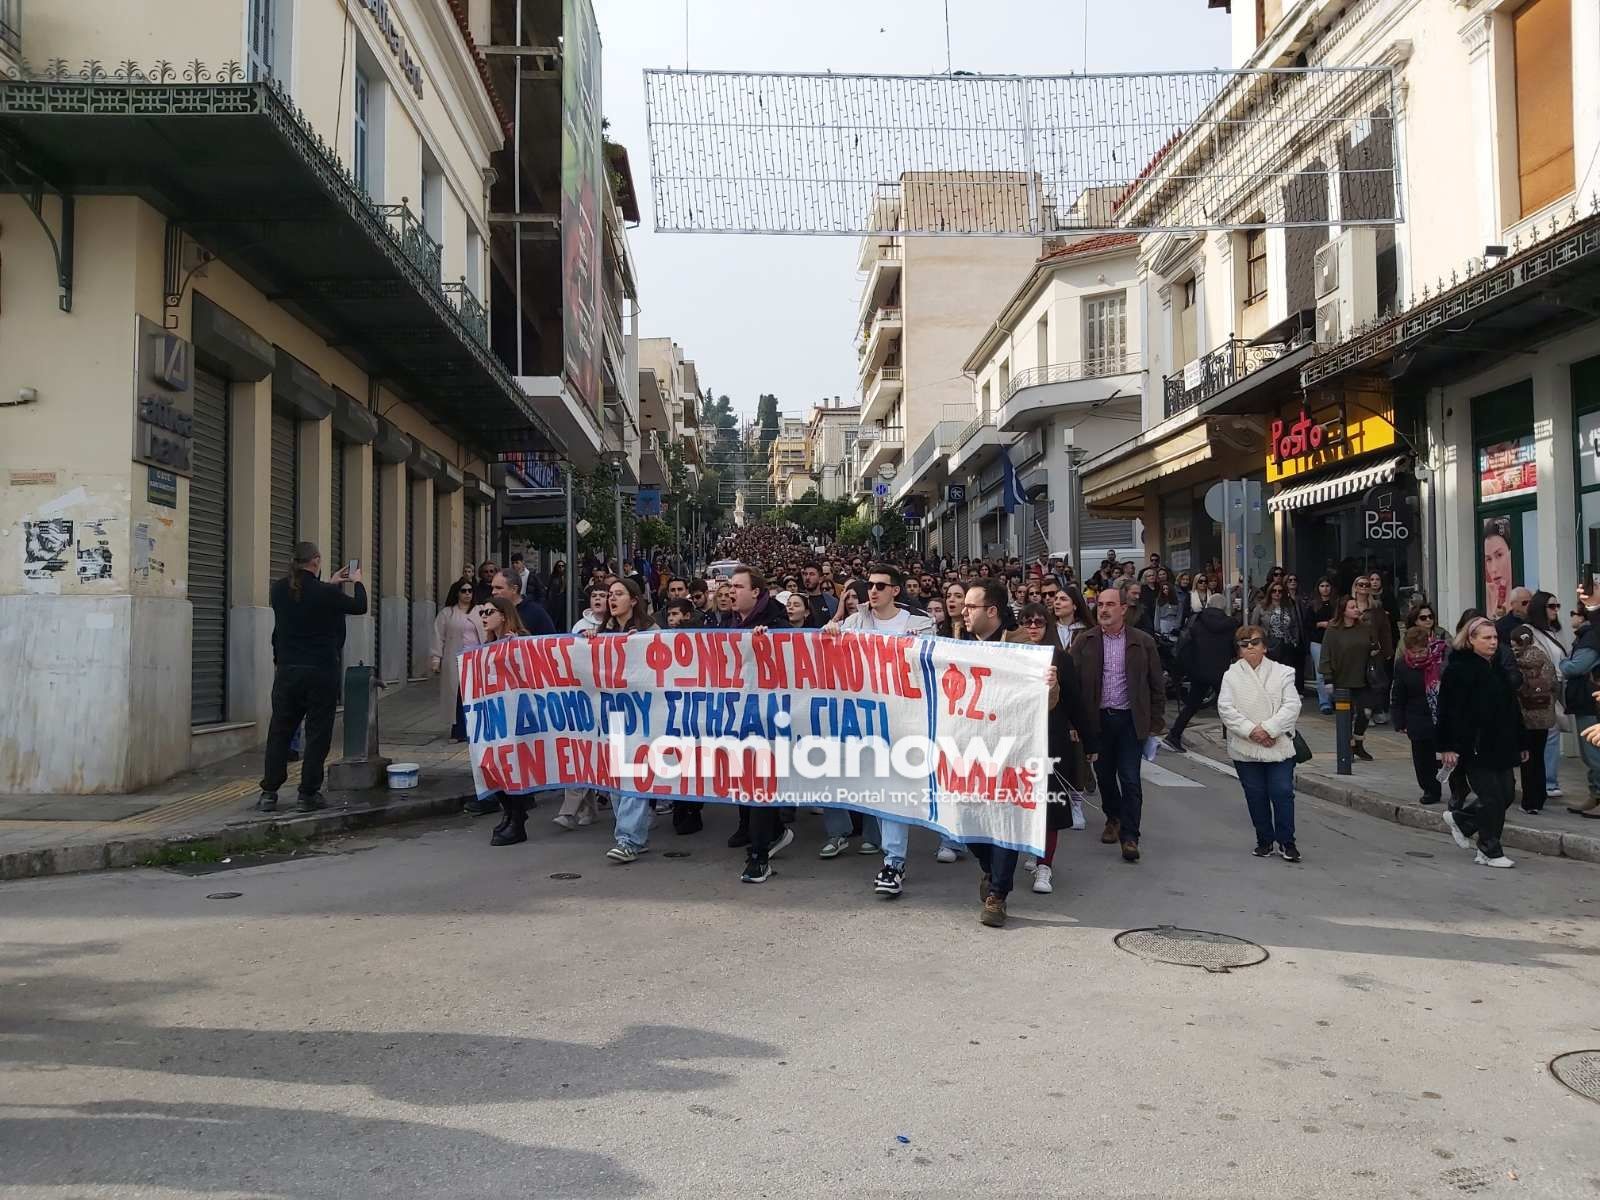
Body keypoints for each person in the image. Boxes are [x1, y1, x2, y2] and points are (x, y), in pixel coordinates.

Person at [821, 565, 939, 889]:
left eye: (880, 586)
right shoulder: (854, 622)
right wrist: (830, 630)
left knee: (892, 789)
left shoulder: (919, 625)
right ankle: (886, 851)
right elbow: (823, 650)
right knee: (875, 788)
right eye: (870, 585)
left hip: (904, 718)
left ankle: (893, 863)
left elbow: (932, 664)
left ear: (895, 591)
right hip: (864, 718)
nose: (872, 591)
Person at [958, 579, 1058, 926]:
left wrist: (1050, 685)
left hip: (1011, 754)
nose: (963, 612)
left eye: (971, 606)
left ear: (992, 611)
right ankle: (989, 868)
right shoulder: (956, 646)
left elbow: (1049, 702)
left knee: (1004, 821)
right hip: (967, 752)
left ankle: (998, 895)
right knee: (966, 822)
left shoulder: (1023, 647)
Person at [257, 542, 367, 813]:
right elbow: (359, 606)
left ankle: (269, 792)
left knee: (280, 731)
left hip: (287, 671)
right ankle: (307, 794)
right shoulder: (325, 593)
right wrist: (356, 581)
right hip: (321, 672)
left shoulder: (278, 589)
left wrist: (329, 584)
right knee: (318, 733)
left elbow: (302, 604)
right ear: (316, 560)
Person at [1069, 582, 1167, 863]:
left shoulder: (1142, 642)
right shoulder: (1085, 641)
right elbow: (1072, 685)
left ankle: (1130, 836)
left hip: (1130, 721)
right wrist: (1074, 724)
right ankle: (1113, 816)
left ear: (1124, 609)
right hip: (1098, 721)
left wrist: (1155, 723)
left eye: (1110, 605)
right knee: (1104, 776)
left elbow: (1156, 684)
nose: (1103, 610)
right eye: (1100, 604)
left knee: (1130, 778)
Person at [1008, 603, 1097, 893]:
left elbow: (1075, 702)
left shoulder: (1060, 658)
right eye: (1027, 622)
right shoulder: (1011, 656)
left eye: (1039, 622)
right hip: (1018, 741)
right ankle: (1032, 849)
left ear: (1047, 626)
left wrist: (1089, 740)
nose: (1033, 627)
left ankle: (1045, 865)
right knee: (1020, 802)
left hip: (1051, 739)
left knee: (1050, 805)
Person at [1437, 616, 1525, 868]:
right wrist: (1447, 746)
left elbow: (1511, 708)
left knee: (1506, 794)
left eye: (1495, 637)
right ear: (1471, 639)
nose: (1493, 642)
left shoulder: (1496, 668)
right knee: (1492, 797)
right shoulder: (1458, 669)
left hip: (1502, 743)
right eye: (1486, 638)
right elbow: (1447, 710)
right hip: (1474, 745)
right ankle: (1489, 850)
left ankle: (1463, 820)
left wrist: (1522, 742)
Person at [725, 566, 795, 881]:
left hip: (770, 717)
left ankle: (759, 857)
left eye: (738, 586)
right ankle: (775, 832)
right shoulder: (728, 623)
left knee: (760, 782)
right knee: (747, 781)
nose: (731, 591)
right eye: (730, 586)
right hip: (739, 714)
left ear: (756, 592)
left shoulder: (777, 624)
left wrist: (770, 644)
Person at [584, 578, 658, 853]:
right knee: (615, 775)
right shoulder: (602, 632)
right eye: (609, 595)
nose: (611, 599)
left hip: (642, 713)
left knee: (634, 771)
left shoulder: (651, 631)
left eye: (618, 594)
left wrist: (642, 645)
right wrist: (588, 643)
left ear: (634, 600)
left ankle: (629, 838)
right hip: (612, 714)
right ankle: (632, 831)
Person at [1217, 623, 1302, 861]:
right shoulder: (1231, 675)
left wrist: (1269, 729)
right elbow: (1225, 708)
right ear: (1239, 650)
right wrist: (1252, 731)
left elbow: (1292, 705)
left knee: (1282, 791)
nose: (1250, 648)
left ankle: (1287, 841)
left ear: (1264, 646)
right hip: (1246, 745)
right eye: (1244, 644)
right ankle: (1264, 840)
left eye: (1255, 643)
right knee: (1256, 795)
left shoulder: (1283, 672)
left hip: (1277, 743)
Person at [474, 596, 536, 845]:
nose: (484, 617)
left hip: (516, 716)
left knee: (512, 767)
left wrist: (517, 649)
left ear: (503, 615)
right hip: (494, 715)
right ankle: (509, 812)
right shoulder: (489, 644)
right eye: (482, 612)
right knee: (490, 765)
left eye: (489, 612)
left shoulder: (520, 640)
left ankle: (517, 820)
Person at [1165, 594, 1239, 752]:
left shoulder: (1197, 619)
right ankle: (1234, 740)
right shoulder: (1231, 624)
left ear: (1209, 604)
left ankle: (1174, 735)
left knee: (1192, 705)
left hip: (1198, 669)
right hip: (1220, 671)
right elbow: (1234, 649)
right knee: (1229, 706)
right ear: (1224, 607)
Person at [1391, 625, 1448, 806]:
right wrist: (1399, 721)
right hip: (1416, 715)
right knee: (1422, 757)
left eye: (1421, 651)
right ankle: (1430, 789)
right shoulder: (1402, 665)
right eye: (1413, 652)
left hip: (1441, 713)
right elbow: (1398, 694)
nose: (1417, 656)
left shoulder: (1440, 661)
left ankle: (1458, 790)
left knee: (1448, 754)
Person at [1320, 595, 1380, 762]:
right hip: (1342, 678)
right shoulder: (1333, 630)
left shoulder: (1364, 627)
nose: (1356, 610)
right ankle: (1348, 746)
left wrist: (1374, 648)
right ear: (1343, 611)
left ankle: (1358, 742)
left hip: (1362, 678)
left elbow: (1373, 645)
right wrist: (1328, 678)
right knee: (1346, 715)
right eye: (1352, 607)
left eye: (1356, 607)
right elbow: (1325, 654)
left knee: (1366, 711)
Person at [1524, 590, 1568, 803]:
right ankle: (1548, 782)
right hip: (1540, 688)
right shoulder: (1529, 631)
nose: (1555, 610)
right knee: (1549, 732)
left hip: (1560, 685)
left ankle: (1548, 781)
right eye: (1551, 606)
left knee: (1554, 731)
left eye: (1557, 606)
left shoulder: (1557, 631)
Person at [1507, 625, 1556, 814]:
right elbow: (1553, 685)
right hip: (1544, 717)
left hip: (1525, 717)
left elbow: (1514, 686)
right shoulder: (1544, 658)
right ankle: (1540, 797)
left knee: (1527, 759)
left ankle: (1529, 802)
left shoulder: (1515, 662)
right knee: (1539, 757)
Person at [430, 577, 485, 742]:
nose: (467, 594)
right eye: (464, 591)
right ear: (457, 593)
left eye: (470, 591)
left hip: (476, 659)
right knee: (457, 695)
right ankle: (459, 730)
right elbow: (438, 637)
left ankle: (476, 728)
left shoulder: (481, 610)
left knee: (475, 694)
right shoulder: (447, 613)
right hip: (454, 659)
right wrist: (436, 658)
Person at [1559, 596, 1600, 815]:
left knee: (1593, 753)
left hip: (1590, 702)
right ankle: (1595, 795)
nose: (1571, 617)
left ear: (1583, 617)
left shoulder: (1591, 637)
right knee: (1590, 753)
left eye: (1573, 613)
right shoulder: (1587, 636)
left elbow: (1574, 667)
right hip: (1586, 700)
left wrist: (1562, 661)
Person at [491, 569, 556, 635]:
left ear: (514, 589)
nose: (493, 592)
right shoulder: (490, 612)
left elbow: (550, 639)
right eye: (492, 588)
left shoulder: (536, 613)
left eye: (498, 588)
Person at [1306, 578, 1337, 714]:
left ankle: (1334, 698)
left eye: (1327, 585)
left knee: (1335, 671)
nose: (1325, 588)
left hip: (1335, 642)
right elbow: (1307, 624)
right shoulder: (1312, 605)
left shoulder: (1336, 604)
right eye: (1322, 586)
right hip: (1317, 641)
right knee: (1321, 673)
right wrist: (1320, 624)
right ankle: (1324, 702)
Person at [1050, 585, 1090, 651]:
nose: (1057, 602)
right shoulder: (1048, 629)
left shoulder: (1087, 631)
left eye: (1063, 599)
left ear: (1074, 605)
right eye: (1056, 599)